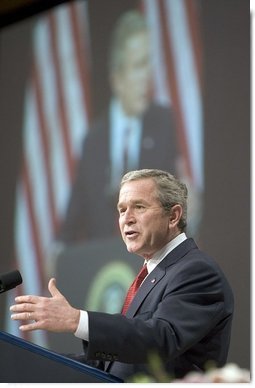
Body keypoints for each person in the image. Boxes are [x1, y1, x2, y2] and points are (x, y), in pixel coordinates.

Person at [10, 169, 234, 381]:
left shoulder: (196, 271)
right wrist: (29, 364)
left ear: (174, 216)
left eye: (139, 207)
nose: (127, 218)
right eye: (122, 209)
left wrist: (76, 320)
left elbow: (161, 340)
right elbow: (111, 366)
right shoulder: (154, 273)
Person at [56, 10, 178, 243]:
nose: (147, 76)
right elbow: (73, 218)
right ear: (117, 78)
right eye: (139, 66)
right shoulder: (93, 140)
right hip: (103, 272)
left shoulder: (162, 124)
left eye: (149, 64)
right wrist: (57, 249)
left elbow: (173, 202)